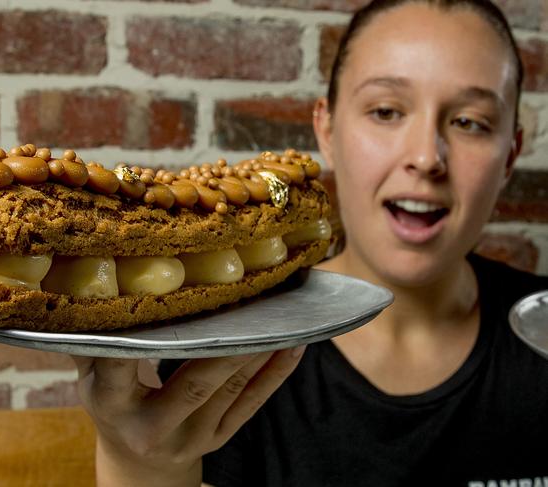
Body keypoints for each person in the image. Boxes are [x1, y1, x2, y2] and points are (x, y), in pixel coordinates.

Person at [72, 1, 548, 485]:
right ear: (326, 128)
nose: (427, 157)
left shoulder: (541, 336)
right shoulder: (223, 347)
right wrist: (137, 461)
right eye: (385, 111)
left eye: (470, 122)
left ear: (510, 154)